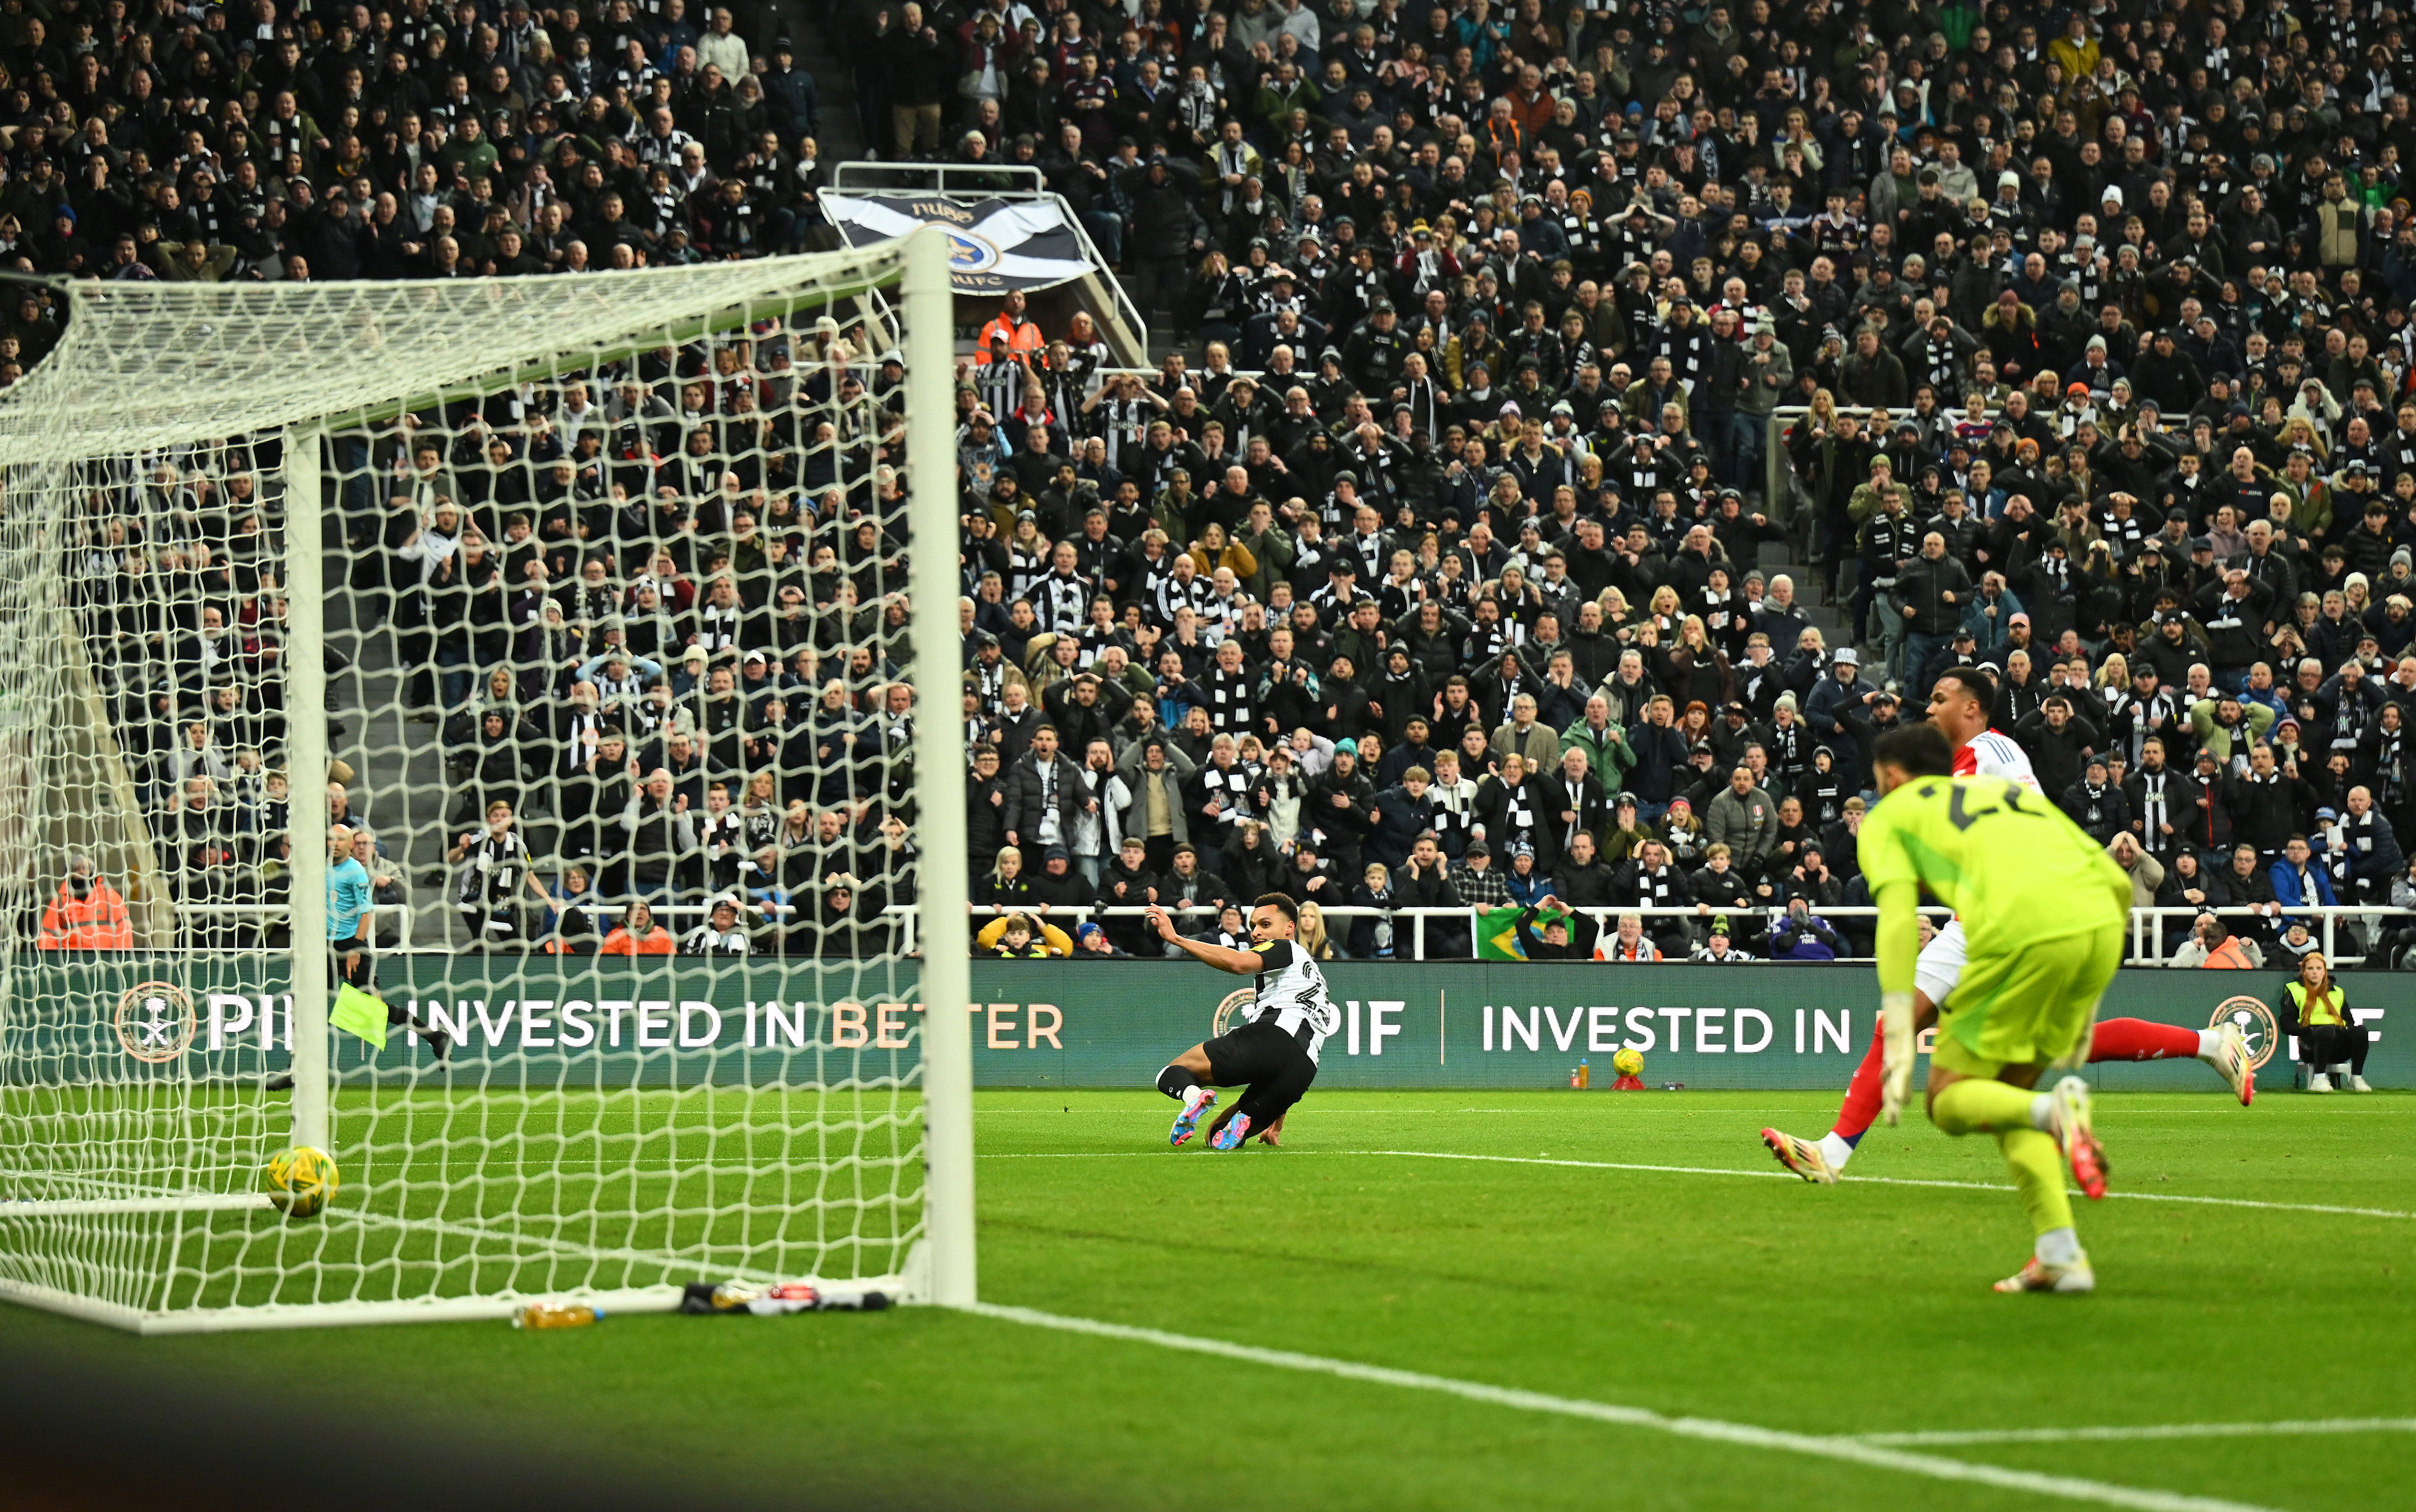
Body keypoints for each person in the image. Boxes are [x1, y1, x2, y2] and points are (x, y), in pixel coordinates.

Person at [1763, 667, 2254, 1183]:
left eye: (1938, 698)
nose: (1928, 709)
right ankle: (1831, 1154)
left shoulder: (1990, 753)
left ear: (1972, 708)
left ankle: (2207, 1045)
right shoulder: (1957, 764)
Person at [1856, 723, 2128, 1292]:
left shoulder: (1889, 818)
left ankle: (2054, 1114)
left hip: (2017, 933)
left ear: (1891, 776)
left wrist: (1900, 1023)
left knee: (1948, 1098)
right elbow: (2114, 881)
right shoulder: (2006, 794)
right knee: (2004, 1096)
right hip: (2098, 922)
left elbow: (1899, 922)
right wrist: (2085, 999)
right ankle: (2059, 1253)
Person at [1145, 892, 1337, 1151]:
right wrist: (1278, 1120)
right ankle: (1250, 1118)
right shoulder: (1313, 976)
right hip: (1301, 1072)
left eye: (1265, 925)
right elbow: (1292, 1050)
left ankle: (1194, 1098)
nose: (1256, 933)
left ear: (1290, 927)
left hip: (1272, 1038)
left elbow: (1238, 963)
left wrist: (1177, 939)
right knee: (1216, 1136)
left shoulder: (1286, 947)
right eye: (1254, 926)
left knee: (1173, 1073)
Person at [2285, 952, 2370, 1093]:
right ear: (2304, 971)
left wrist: (2344, 1030)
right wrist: (2306, 1031)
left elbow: (2349, 1020)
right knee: (2326, 1030)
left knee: (2360, 1031)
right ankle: (2319, 1079)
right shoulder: (2294, 990)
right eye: (2310, 969)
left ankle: (2356, 1078)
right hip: (2310, 1045)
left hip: (2337, 1044)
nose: (2315, 972)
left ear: (2325, 971)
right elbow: (2287, 1023)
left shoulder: (2338, 992)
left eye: (2319, 968)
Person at [36, 854, 133, 949]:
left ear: (92, 871)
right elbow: (47, 936)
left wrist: (119, 958)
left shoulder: (109, 896)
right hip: (71, 961)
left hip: (104, 960)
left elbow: (124, 927)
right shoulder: (60, 902)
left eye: (85, 868)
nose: (81, 872)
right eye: (77, 869)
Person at [679, 894, 753, 954]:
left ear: (735, 915)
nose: (724, 913)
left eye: (728, 910)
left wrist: (744, 911)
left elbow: (763, 937)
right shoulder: (700, 933)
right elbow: (687, 955)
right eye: (720, 910)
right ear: (713, 915)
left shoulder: (745, 933)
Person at [599, 899, 677, 955]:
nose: (639, 912)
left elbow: (673, 961)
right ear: (628, 916)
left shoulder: (661, 934)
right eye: (634, 909)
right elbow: (608, 963)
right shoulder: (616, 935)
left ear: (649, 916)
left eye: (643, 909)